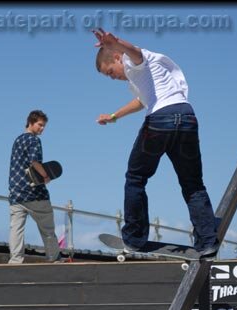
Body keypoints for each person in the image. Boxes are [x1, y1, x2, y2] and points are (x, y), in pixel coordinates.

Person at [93, 28, 219, 257]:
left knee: (135, 178)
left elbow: (135, 52)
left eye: (111, 72)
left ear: (116, 57)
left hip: (161, 120)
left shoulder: (133, 62)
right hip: (187, 116)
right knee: (192, 183)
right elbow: (141, 102)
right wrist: (113, 116)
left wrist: (115, 42)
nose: (113, 78)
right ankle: (208, 240)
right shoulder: (143, 76)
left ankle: (134, 239)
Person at [8, 110, 63, 264]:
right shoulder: (33, 140)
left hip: (15, 192)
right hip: (34, 194)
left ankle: (15, 260)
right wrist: (45, 176)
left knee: (16, 229)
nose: (42, 129)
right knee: (47, 229)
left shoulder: (18, 140)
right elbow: (34, 162)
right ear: (31, 122)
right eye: (40, 125)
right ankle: (53, 258)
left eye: (44, 126)